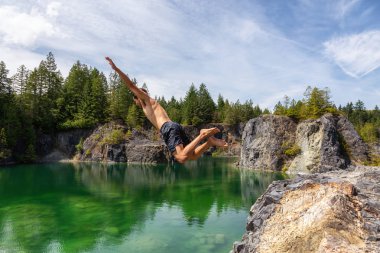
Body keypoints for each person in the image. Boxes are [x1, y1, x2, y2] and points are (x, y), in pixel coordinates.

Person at [105, 57, 228, 163]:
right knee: (193, 155)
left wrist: (116, 69)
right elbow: (137, 98)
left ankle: (202, 135)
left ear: (140, 95)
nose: (135, 101)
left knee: (181, 158)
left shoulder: (148, 100)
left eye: (136, 97)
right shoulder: (145, 106)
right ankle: (209, 142)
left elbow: (131, 85)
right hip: (173, 126)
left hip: (168, 128)